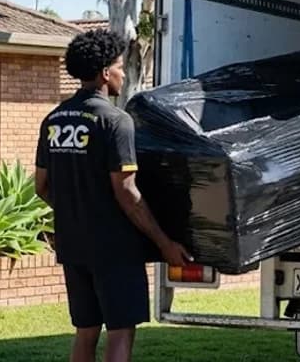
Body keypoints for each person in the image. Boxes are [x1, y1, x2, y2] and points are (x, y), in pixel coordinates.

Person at [35, 28, 191, 362]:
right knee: (120, 331)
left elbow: (41, 186)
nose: (123, 73)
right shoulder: (115, 121)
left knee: (86, 331)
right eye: (120, 66)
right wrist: (165, 243)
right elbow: (127, 192)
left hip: (73, 244)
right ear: (106, 73)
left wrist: (76, 209)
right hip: (114, 248)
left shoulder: (54, 119)